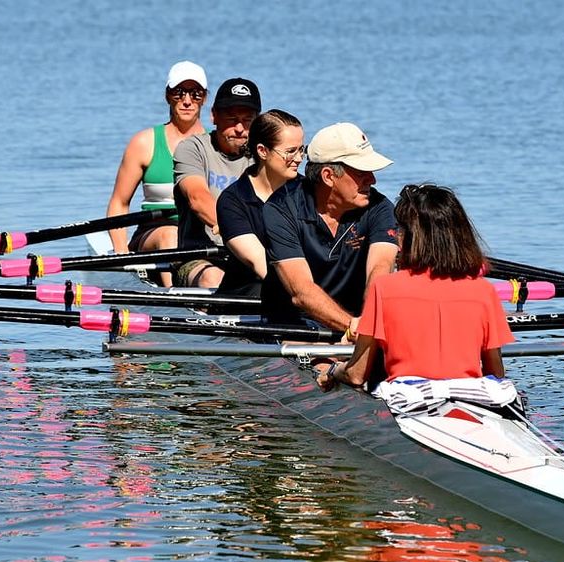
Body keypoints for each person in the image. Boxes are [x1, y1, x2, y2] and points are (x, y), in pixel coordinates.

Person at [315, 184, 515, 392]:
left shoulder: (385, 288)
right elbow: (496, 374)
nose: (396, 238)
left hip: (408, 403)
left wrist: (332, 371)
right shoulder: (483, 290)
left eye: (398, 230)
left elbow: (356, 375)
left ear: (410, 236)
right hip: (470, 401)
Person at [262, 122, 398, 336]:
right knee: (326, 366)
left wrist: (368, 325)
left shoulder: (380, 208)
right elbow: (301, 292)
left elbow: (380, 269)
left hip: (359, 324)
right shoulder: (280, 210)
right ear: (328, 176)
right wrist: (356, 329)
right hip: (294, 326)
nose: (372, 179)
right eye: (362, 171)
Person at [105, 61, 208, 287]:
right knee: (170, 235)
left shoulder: (214, 144)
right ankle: (173, 296)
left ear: (205, 98)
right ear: (167, 96)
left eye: (195, 93)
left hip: (202, 236)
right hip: (153, 233)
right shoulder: (144, 142)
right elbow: (119, 203)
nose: (187, 100)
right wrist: (121, 253)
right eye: (179, 92)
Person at [173, 77, 261, 288]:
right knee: (214, 278)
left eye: (247, 120)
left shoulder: (263, 155)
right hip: (201, 258)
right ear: (214, 116)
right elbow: (198, 198)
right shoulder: (193, 149)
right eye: (231, 119)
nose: (239, 128)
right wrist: (238, 233)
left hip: (253, 254)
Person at [215, 109, 305, 297]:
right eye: (290, 152)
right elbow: (259, 263)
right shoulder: (232, 201)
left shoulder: (309, 192)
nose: (298, 159)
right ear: (263, 151)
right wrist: (309, 298)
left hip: (303, 292)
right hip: (247, 298)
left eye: (301, 150)